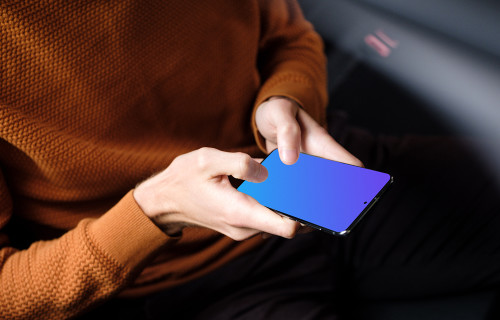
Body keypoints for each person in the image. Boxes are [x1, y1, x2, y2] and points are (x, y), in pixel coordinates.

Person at [2, 1, 500, 319]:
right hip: (183, 283)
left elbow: (287, 33)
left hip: (319, 176)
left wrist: (287, 101)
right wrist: (154, 210)